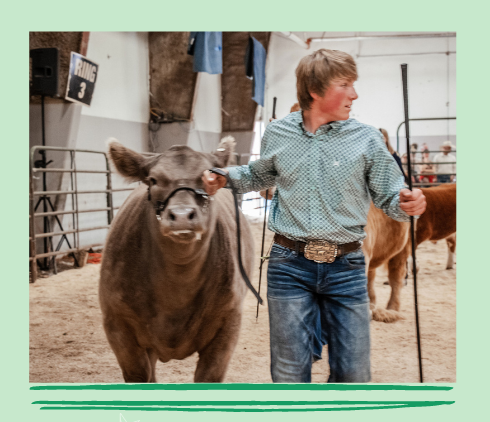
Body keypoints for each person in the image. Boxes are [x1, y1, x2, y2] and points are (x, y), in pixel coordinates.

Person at [202, 48, 426, 383]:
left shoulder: (366, 138)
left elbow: (389, 195)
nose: (355, 93)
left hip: (347, 267)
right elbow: (260, 175)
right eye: (345, 85)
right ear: (315, 91)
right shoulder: (279, 133)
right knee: (289, 373)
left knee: (353, 374)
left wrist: (406, 202)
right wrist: (225, 177)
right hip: (288, 265)